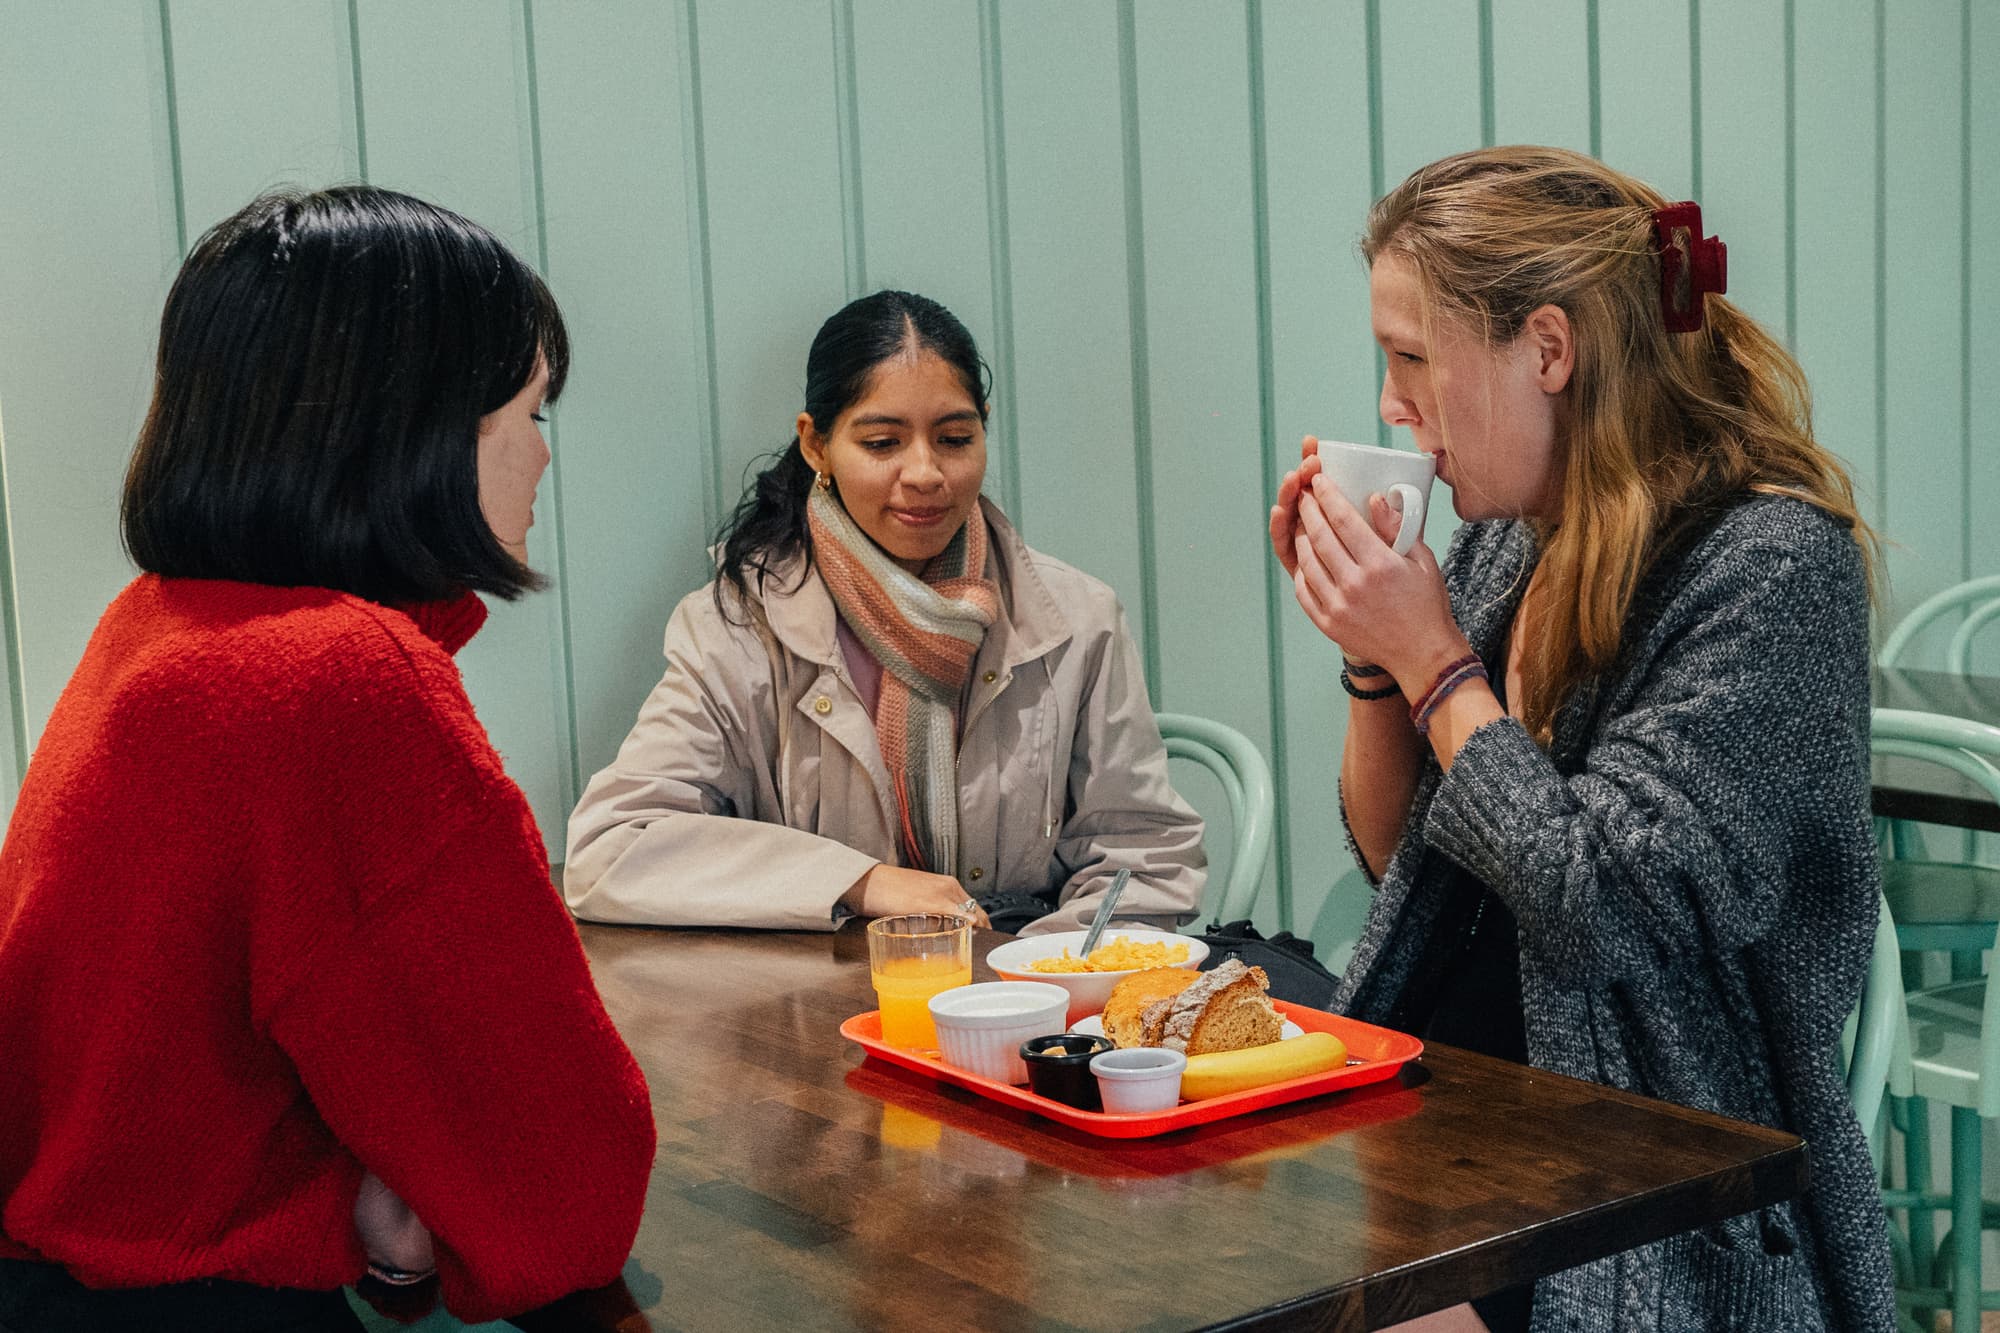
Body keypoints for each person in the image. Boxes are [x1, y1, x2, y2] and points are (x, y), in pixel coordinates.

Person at [0, 187, 655, 1331]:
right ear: (416, 430)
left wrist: (353, 1191)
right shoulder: (341, 681)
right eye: (528, 411)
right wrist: (386, 1207)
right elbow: (566, 1188)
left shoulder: (156, 627)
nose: (543, 455)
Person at [1270, 147, 1894, 1331]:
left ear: (1547, 350)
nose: (1391, 403)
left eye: (1410, 357)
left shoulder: (1767, 564)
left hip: (1657, 1190)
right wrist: (1370, 654)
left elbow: (1605, 905)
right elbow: (1401, 856)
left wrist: (1433, 663)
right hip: (1461, 1127)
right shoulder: (1508, 541)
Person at [565, 290, 1205, 936]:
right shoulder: (737, 627)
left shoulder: (1078, 620)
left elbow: (1145, 858)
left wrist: (1028, 970)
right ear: (816, 446)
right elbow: (613, 847)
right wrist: (862, 882)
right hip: (816, 994)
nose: (925, 472)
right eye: (882, 442)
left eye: (955, 438)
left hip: (1027, 988)